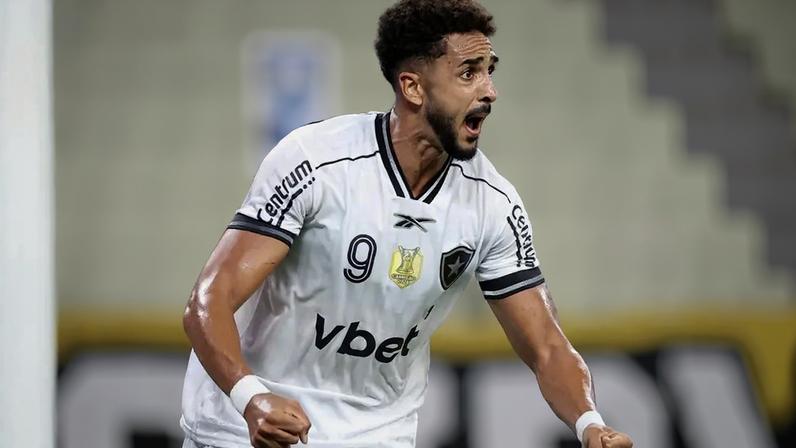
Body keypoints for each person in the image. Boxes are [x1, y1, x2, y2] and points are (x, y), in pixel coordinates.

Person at [180, 0, 634, 447]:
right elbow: (209, 299)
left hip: (376, 435)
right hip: (244, 428)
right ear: (413, 87)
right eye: (469, 72)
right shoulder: (315, 161)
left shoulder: (493, 204)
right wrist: (250, 396)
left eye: (490, 69)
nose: (490, 90)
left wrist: (589, 422)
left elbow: (547, 347)